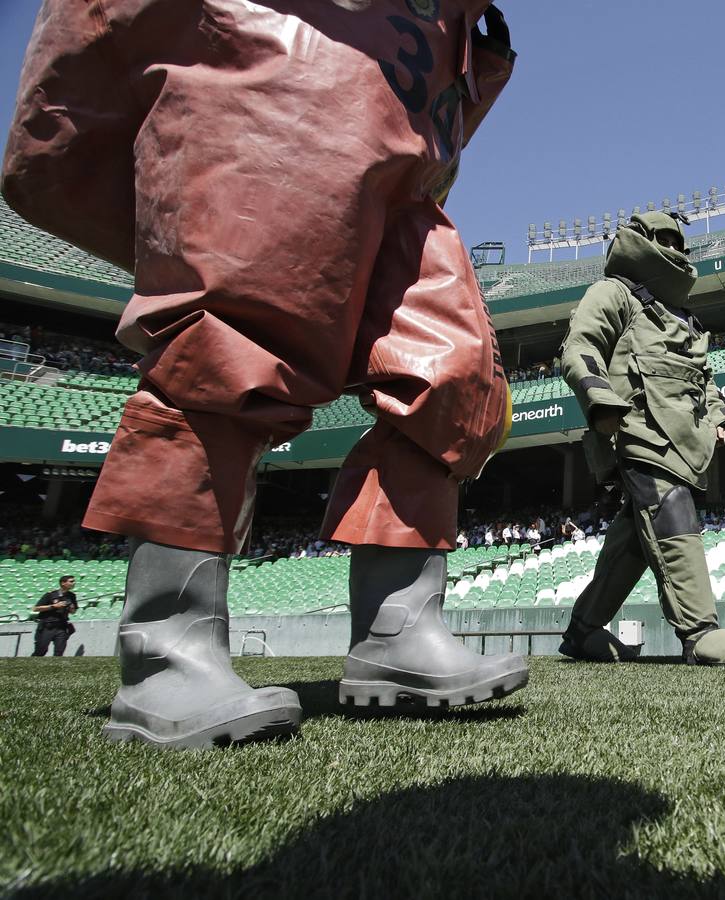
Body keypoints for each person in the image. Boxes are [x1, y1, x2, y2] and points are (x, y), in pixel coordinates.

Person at [3, 0, 526, 749]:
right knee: (236, 330)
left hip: (411, 119)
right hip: (283, 49)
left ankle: (398, 630)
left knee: (450, 371)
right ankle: (167, 649)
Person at [557, 211, 725, 666]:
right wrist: (599, 399)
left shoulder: (683, 317)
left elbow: (703, 380)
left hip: (685, 441)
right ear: (641, 240)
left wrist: (719, 416)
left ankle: (582, 631)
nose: (674, 246)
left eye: (679, 240)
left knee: (633, 541)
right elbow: (581, 347)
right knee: (671, 515)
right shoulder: (613, 293)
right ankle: (700, 632)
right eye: (663, 238)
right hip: (638, 433)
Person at [32, 575, 78, 657]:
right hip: (48, 625)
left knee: (59, 651)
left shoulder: (72, 595)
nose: (74, 583)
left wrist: (71, 608)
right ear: (63, 583)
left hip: (62, 626)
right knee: (41, 650)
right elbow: (36, 608)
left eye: (74, 581)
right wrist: (54, 606)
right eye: (71, 581)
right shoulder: (51, 594)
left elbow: (73, 612)